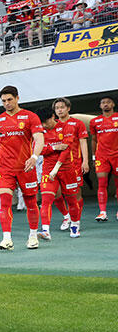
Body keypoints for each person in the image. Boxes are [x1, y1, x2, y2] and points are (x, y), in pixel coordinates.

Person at [0, 86, 44, 250]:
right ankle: (7, 239)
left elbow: (39, 138)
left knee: (31, 202)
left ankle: (33, 236)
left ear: (17, 98)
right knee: (5, 203)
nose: (6, 103)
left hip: (25, 168)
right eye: (3, 101)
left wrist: (34, 157)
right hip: (5, 169)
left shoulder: (30, 117)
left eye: (9, 100)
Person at [36, 107, 83, 240]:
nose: (44, 125)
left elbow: (66, 150)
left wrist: (56, 168)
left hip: (66, 169)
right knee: (46, 200)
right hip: (48, 170)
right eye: (42, 123)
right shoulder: (40, 131)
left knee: (71, 200)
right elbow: (39, 149)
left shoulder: (66, 127)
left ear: (52, 117)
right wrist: (53, 147)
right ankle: (45, 230)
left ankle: (74, 225)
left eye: (46, 122)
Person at [52, 97, 89, 232]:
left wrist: (85, 161)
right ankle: (66, 216)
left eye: (62, 107)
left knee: (75, 195)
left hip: (74, 165)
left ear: (68, 108)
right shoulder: (53, 125)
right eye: (57, 108)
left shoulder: (77, 123)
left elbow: (83, 142)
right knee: (56, 193)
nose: (59, 110)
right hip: (55, 166)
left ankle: (75, 221)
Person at [90, 95, 118, 221]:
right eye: (103, 102)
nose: (105, 104)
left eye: (108, 102)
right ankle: (102, 212)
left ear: (113, 105)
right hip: (102, 156)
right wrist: (93, 156)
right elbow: (94, 140)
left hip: (117, 155)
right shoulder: (95, 122)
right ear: (100, 106)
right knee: (102, 183)